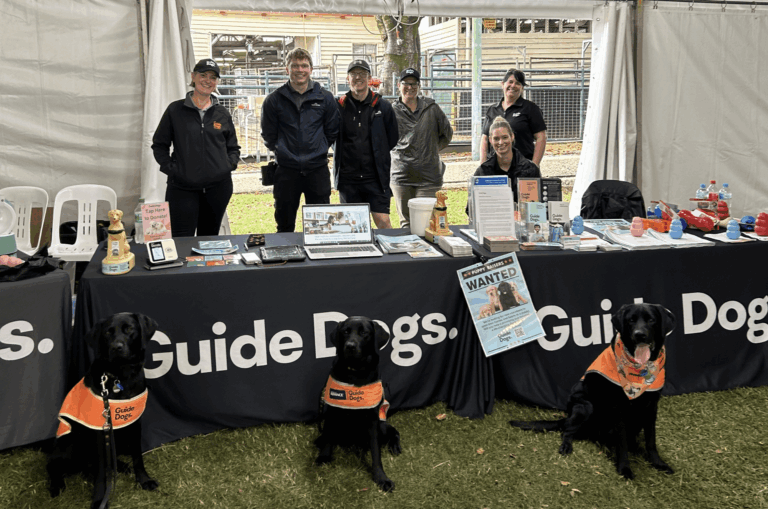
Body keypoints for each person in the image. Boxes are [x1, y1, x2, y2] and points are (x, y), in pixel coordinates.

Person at [152, 59, 240, 237]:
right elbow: (159, 145)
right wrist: (173, 169)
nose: (208, 80)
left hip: (218, 189)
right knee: (182, 239)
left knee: (208, 238)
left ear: (216, 83)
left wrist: (227, 166)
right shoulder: (175, 110)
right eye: (203, 75)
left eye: (213, 77)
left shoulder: (222, 113)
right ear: (193, 77)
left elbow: (233, 147)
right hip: (183, 189)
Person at [261, 48, 340, 232]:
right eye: (295, 65)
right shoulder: (274, 100)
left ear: (311, 69)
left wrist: (317, 148)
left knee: (320, 227)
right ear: (287, 69)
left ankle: (317, 260)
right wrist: (284, 151)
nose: (300, 70)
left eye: (304, 65)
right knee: (284, 224)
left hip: (317, 170)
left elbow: (332, 130)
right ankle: (286, 260)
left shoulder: (325, 98)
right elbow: (268, 134)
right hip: (287, 171)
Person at [333, 59, 399, 229]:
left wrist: (378, 153)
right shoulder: (339, 106)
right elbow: (332, 136)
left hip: (375, 178)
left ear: (369, 78)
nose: (358, 78)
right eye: (354, 74)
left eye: (362, 74)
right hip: (349, 179)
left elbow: (392, 138)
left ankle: (390, 256)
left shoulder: (383, 107)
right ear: (347, 79)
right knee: (353, 227)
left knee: (383, 221)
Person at [390, 67, 453, 229]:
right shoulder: (391, 111)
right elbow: (383, 139)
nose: (410, 87)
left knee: (426, 224)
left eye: (414, 84)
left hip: (429, 178)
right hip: (401, 176)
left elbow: (447, 133)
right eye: (406, 83)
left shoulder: (431, 108)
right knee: (406, 224)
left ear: (419, 86)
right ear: (399, 85)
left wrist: (431, 149)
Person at [480, 69, 547, 167]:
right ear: (503, 84)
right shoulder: (492, 109)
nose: (513, 86)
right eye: (510, 82)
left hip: (522, 166)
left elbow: (541, 137)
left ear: (522, 88)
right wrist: (483, 165)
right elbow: (485, 139)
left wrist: (534, 165)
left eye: (518, 83)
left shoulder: (530, 109)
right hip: (495, 168)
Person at [472, 116, 541, 203]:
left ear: (512, 137)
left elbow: (539, 205)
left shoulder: (530, 169)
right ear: (490, 140)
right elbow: (471, 208)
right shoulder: (483, 172)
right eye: (496, 139)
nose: (501, 142)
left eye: (504, 137)